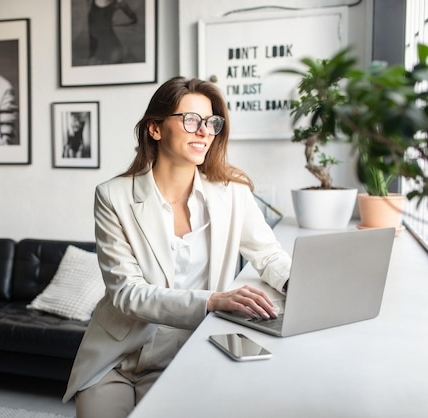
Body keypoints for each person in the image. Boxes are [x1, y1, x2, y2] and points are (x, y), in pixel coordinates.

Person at [63, 76, 291, 418]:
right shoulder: (113, 196)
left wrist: (298, 285)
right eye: (191, 120)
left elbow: (268, 254)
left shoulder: (233, 193)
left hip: (190, 352)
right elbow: (126, 293)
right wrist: (213, 300)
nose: (204, 131)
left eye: (211, 122)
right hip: (119, 358)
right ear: (155, 129)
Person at [87, 0, 138, 65]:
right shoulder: (91, 2)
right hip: (98, 51)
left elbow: (133, 19)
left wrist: (116, 24)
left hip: (112, 51)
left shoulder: (118, 2)